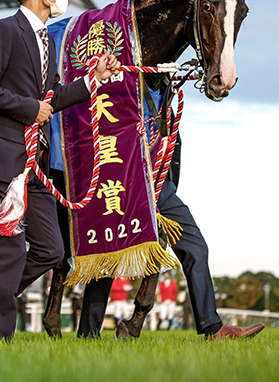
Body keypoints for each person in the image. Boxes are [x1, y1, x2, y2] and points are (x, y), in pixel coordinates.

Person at [0, 0, 121, 341]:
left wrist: (94, 79)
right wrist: (30, 108)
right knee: (9, 252)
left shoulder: (44, 39)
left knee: (50, 250)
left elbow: (52, 97)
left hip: (31, 163)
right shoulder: (5, 30)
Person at [77, 131, 264, 340]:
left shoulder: (167, 105)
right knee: (109, 254)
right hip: (125, 185)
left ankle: (213, 328)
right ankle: (88, 334)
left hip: (162, 189)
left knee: (195, 247)